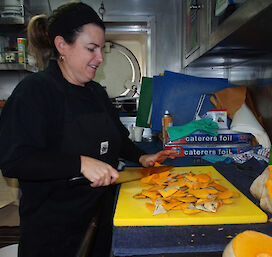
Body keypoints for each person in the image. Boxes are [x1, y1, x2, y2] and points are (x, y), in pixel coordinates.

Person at [0, 2, 176, 257]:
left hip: (99, 220)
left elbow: (118, 138)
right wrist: (80, 163)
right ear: (62, 46)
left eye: (101, 49)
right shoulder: (35, 92)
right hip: (53, 235)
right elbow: (14, 161)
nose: (101, 58)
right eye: (91, 48)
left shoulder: (96, 93)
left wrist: (140, 156)